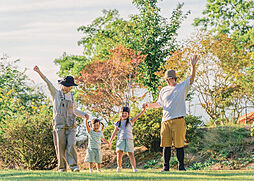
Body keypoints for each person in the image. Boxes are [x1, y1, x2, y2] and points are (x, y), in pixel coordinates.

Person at [143, 55, 198, 171]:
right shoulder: (163, 90)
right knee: (165, 145)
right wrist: (149, 105)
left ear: (174, 78)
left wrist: (193, 66)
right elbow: (159, 104)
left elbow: (192, 78)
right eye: (166, 79)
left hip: (178, 120)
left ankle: (181, 167)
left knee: (179, 145)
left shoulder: (182, 87)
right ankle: (165, 167)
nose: (168, 80)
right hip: (165, 121)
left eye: (170, 78)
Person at [33, 66, 89, 172]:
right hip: (59, 124)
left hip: (71, 124)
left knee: (71, 144)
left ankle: (74, 166)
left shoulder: (71, 96)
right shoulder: (55, 93)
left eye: (71, 86)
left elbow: (74, 110)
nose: (70, 88)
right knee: (60, 145)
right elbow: (47, 81)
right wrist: (39, 71)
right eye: (68, 86)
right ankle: (62, 167)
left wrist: (83, 114)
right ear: (62, 85)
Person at [109, 106, 146, 172]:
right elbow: (114, 132)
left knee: (131, 154)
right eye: (122, 113)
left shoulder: (130, 120)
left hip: (129, 139)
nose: (124, 114)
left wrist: (143, 111)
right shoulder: (118, 122)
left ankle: (134, 168)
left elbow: (137, 116)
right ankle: (119, 167)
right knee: (119, 154)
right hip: (120, 139)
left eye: (125, 113)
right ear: (120, 114)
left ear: (128, 114)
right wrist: (110, 141)